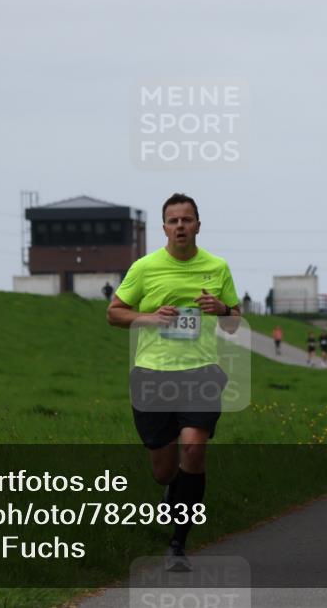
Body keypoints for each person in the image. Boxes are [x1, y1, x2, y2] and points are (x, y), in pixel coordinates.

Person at [106, 193, 240, 572]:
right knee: (164, 469)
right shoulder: (145, 268)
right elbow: (113, 313)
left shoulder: (217, 267)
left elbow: (234, 321)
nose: (180, 226)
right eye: (173, 220)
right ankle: (173, 490)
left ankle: (178, 544)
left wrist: (224, 309)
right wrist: (149, 317)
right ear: (164, 227)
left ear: (198, 224)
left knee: (194, 450)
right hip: (152, 374)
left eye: (187, 219)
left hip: (200, 372)